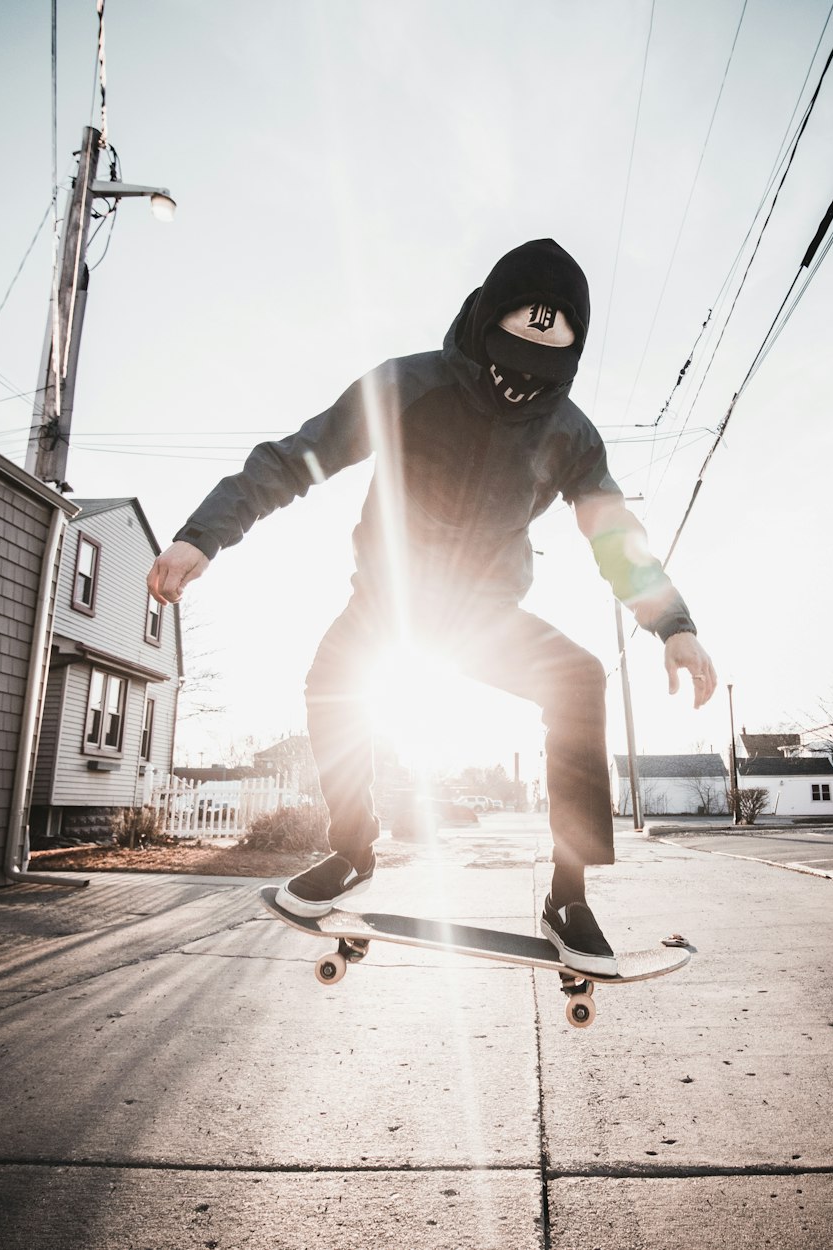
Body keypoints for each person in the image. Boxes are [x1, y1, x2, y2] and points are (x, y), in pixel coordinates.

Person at [147, 238, 716, 976]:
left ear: (568, 367)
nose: (520, 385)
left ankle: (568, 896)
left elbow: (615, 538)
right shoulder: (407, 385)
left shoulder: (570, 433)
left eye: (543, 372)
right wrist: (205, 534)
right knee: (334, 681)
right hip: (391, 601)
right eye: (510, 358)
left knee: (578, 680)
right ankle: (353, 851)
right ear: (483, 328)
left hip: (482, 614)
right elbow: (296, 456)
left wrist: (673, 623)